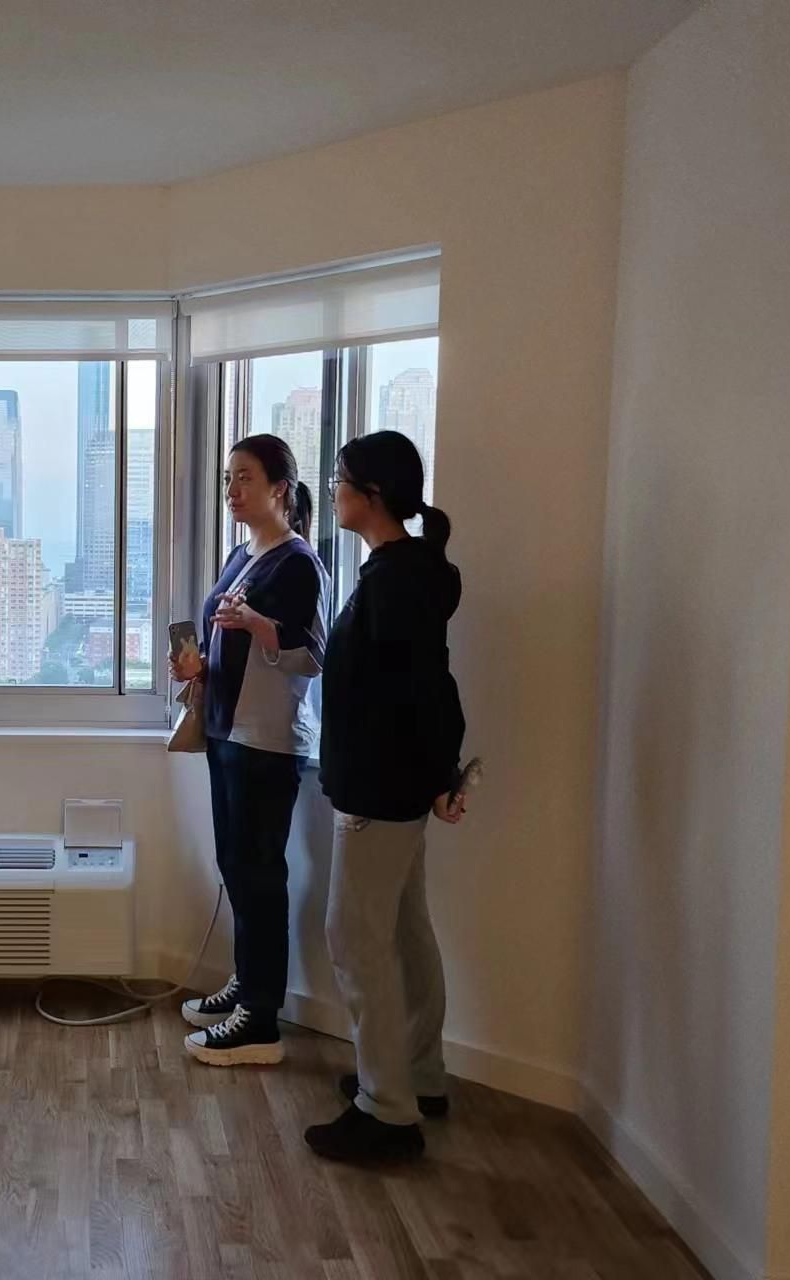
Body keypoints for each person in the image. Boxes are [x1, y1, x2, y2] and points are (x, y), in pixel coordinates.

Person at [305, 430, 466, 1165]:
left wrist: (440, 775)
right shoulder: (402, 572)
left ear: (370, 495)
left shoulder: (395, 581)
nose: (332, 491)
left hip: (379, 790)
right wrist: (438, 774)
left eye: (338, 480)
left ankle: (387, 1110)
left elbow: (423, 692)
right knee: (403, 931)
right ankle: (417, 1075)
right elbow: (426, 686)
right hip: (395, 784)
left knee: (354, 938)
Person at [172, 434, 328, 1067]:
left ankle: (261, 1019)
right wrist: (199, 665)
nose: (232, 490)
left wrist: (258, 626)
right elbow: (228, 639)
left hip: (265, 740)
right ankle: (247, 984)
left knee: (260, 874)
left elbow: (312, 655)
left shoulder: (298, 563)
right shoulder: (242, 553)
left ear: (280, 489)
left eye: (244, 478)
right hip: (226, 730)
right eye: (228, 479)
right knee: (237, 866)